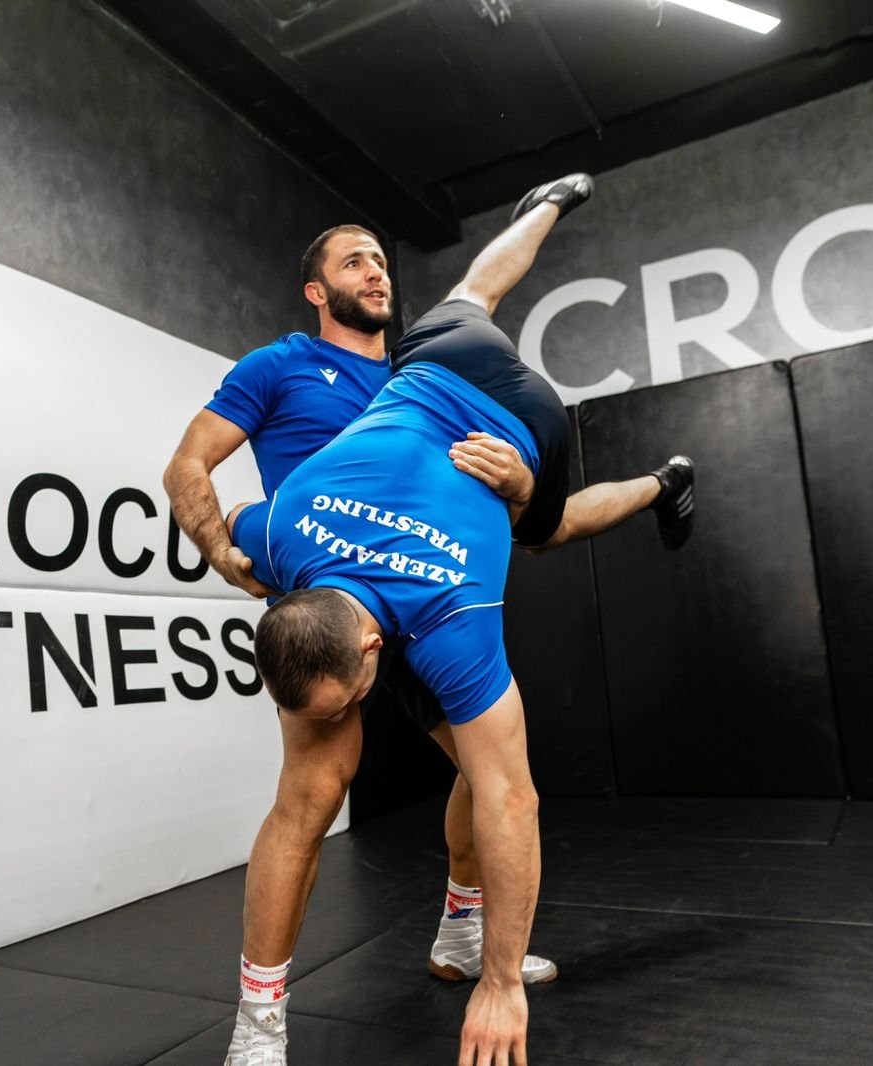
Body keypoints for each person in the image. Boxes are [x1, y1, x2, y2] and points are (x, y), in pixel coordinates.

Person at [163, 174, 694, 1065]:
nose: (375, 272)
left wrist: (519, 483)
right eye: (353, 262)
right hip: (321, 599)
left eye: (380, 260)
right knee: (312, 794)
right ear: (315, 287)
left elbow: (513, 797)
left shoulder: (411, 368)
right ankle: (259, 1022)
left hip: (416, 585)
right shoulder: (281, 368)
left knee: (492, 761)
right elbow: (189, 466)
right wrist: (227, 556)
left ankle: (463, 933)